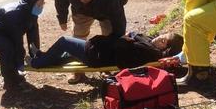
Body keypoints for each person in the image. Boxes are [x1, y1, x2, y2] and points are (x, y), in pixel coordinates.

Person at [54, 0, 128, 83]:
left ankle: (105, 68)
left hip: (105, 12)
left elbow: (118, 16)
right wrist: (62, 19)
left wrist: (119, 38)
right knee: (77, 39)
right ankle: (77, 71)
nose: (82, 0)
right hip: (80, 11)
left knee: (110, 39)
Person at [29, 32, 183, 70]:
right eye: (162, 35)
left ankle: (36, 62)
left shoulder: (150, 52)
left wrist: (126, 39)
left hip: (97, 55)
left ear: (165, 49)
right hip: (99, 52)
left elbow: (124, 56)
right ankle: (42, 57)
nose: (158, 38)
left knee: (64, 41)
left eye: (163, 41)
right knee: (68, 54)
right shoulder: (151, 46)